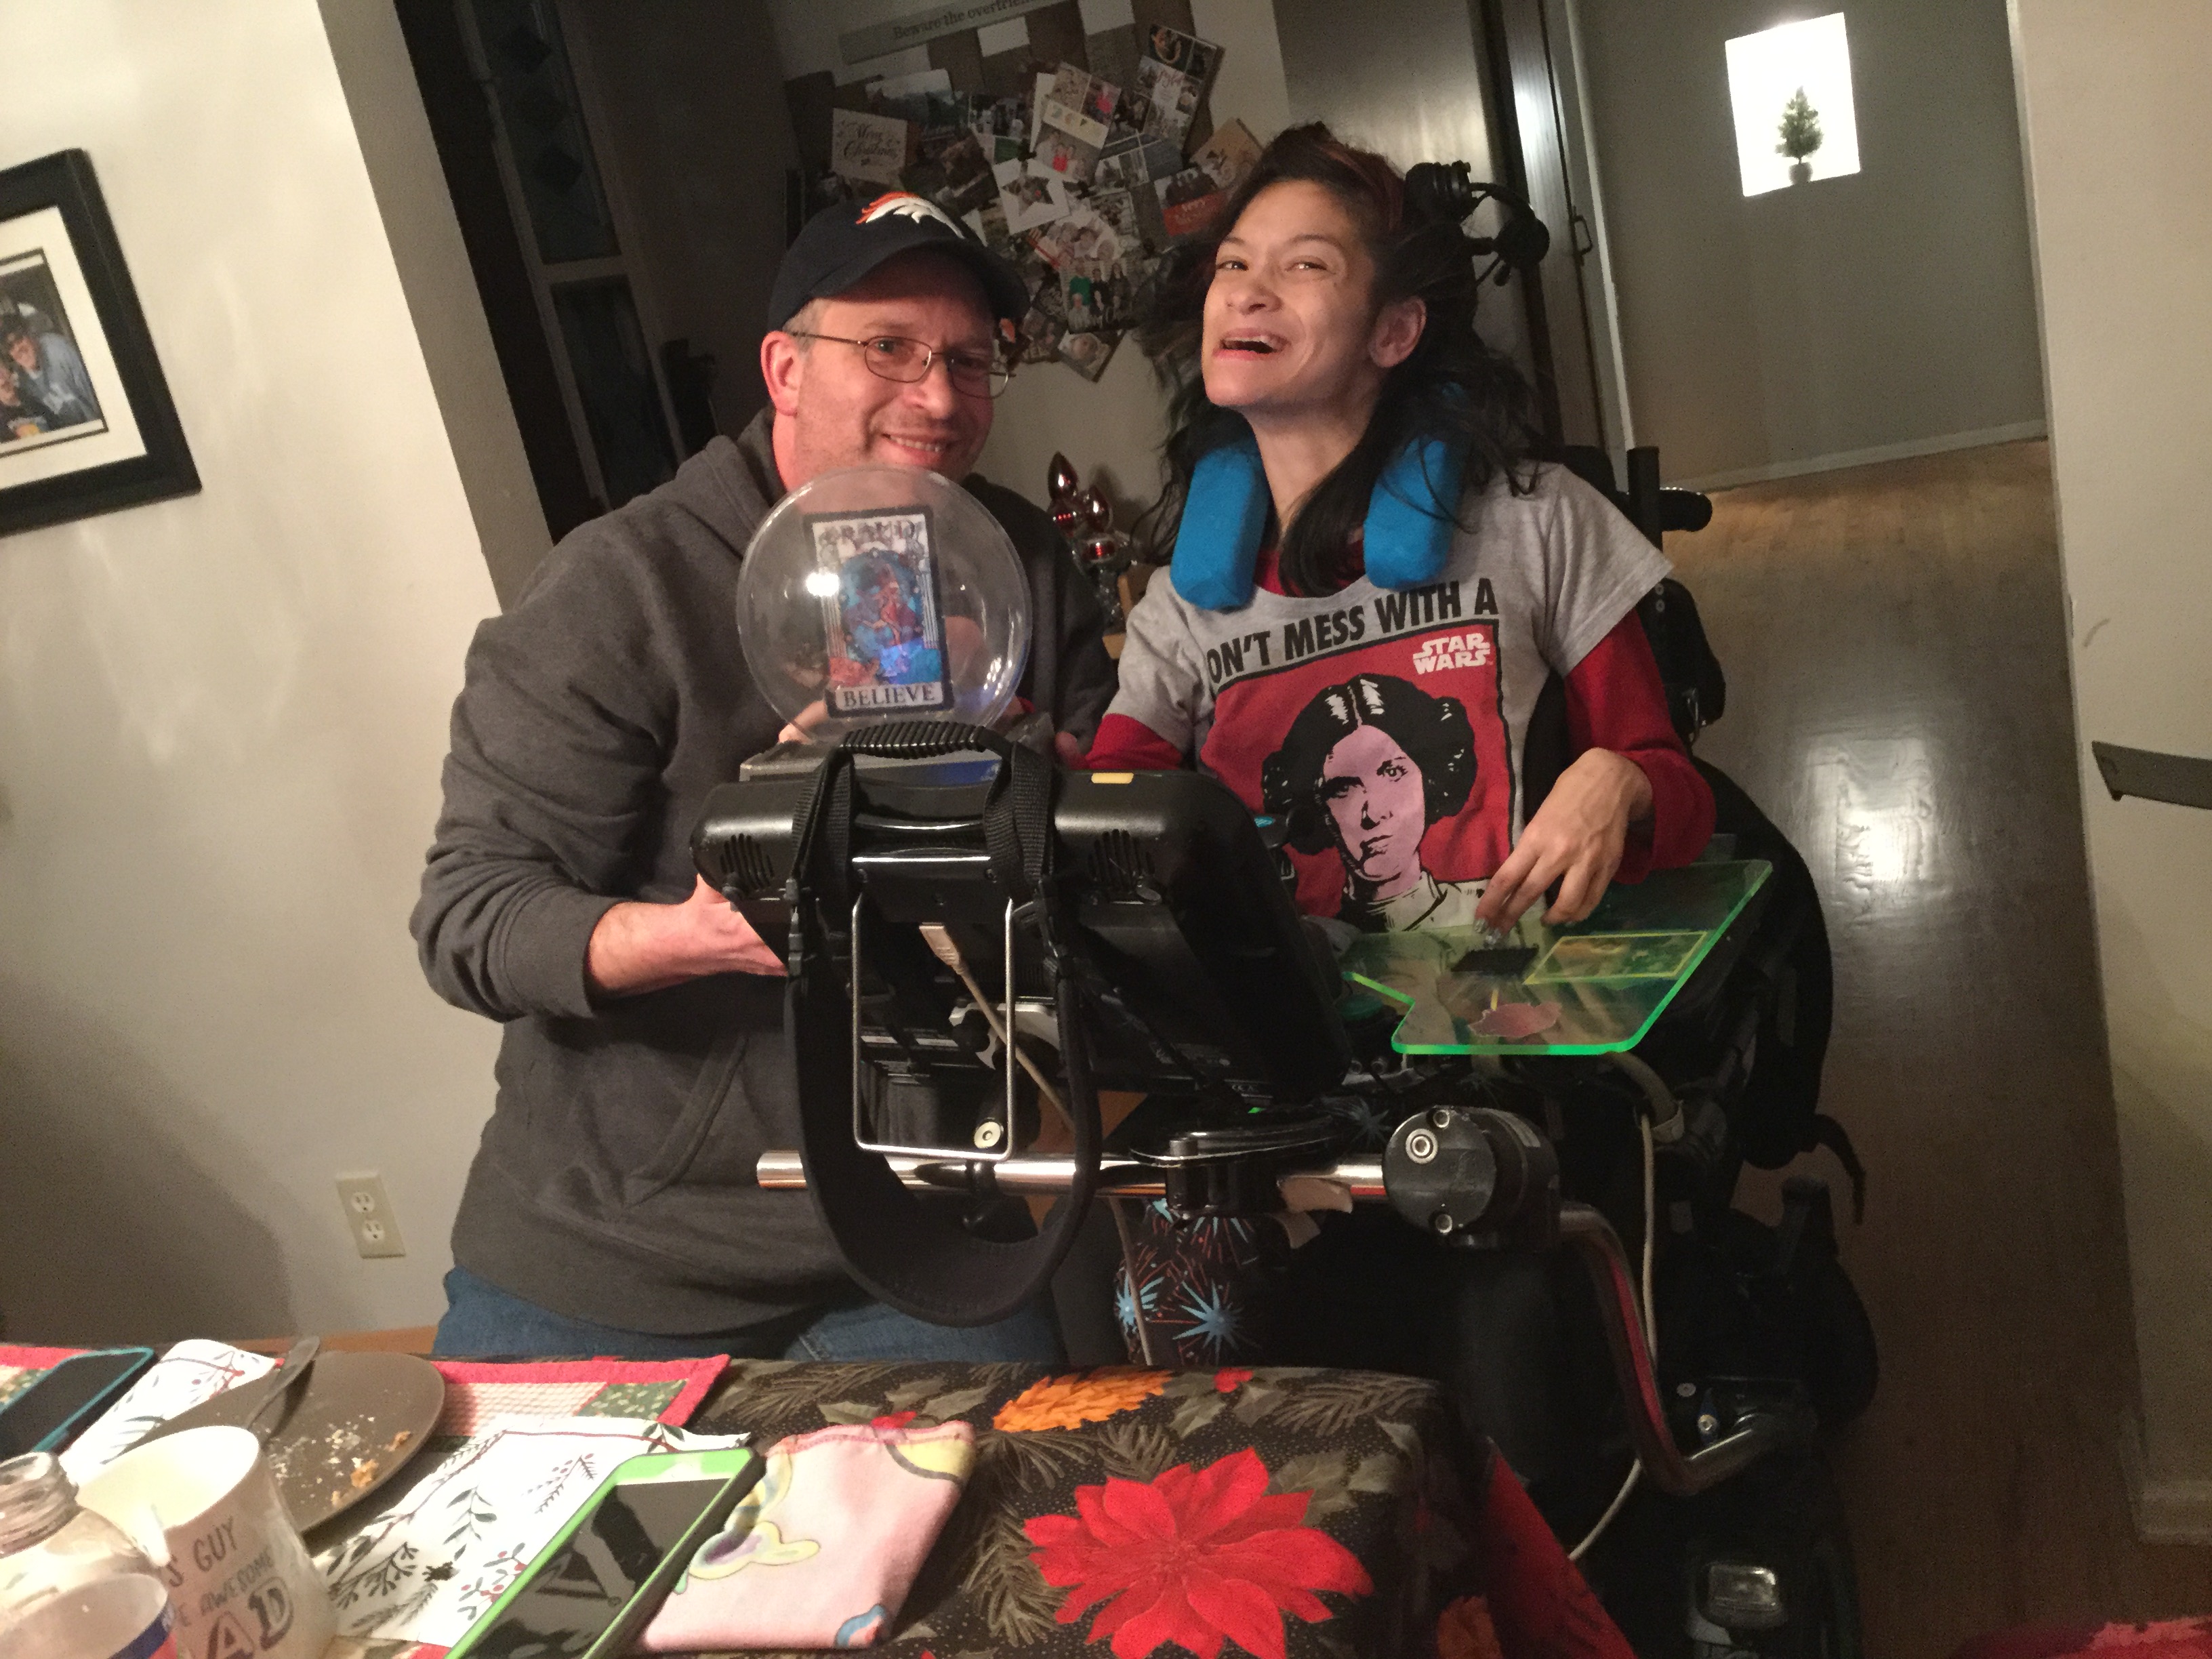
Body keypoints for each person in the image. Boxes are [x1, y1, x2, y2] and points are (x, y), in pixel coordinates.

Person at [1088, 124, 1715, 1521]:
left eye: (1304, 265)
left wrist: (1618, 781)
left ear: (1393, 330)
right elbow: (1104, 825)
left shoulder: (1536, 523)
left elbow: (1677, 790)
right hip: (1281, 1082)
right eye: (1232, 265)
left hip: (1495, 1070)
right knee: (1217, 1416)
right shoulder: (1184, 604)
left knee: (1507, 1410)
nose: (1249, 290)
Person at [413, 192, 1116, 1361]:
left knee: (1033, 1479)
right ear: (785, 370)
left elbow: (1100, 830)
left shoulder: (1016, 564)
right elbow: (469, 918)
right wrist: (697, 934)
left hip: (918, 1226)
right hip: (620, 1248)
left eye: (966, 360)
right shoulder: (620, 583)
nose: (939, 397)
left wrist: (1012, 747)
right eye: (887, 346)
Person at [1, 319, 98, 428]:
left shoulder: (59, 352)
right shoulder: (23, 381)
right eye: (10, 347)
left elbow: (95, 399)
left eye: (19, 339)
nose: (18, 349)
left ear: (30, 335)